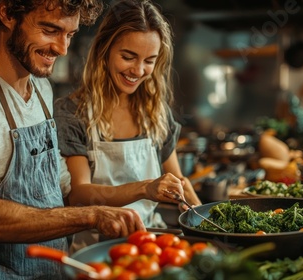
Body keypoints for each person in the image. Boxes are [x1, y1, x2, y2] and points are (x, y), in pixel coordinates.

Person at [0, 0, 152, 278]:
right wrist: (91, 216)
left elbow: (64, 188)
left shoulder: (40, 87)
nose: (62, 49)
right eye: (50, 30)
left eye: (70, 35)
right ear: (7, 13)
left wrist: (140, 191)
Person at [54, 0, 202, 252]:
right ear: (105, 49)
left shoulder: (155, 111)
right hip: (95, 249)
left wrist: (205, 220)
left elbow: (177, 180)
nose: (138, 70)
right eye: (128, 56)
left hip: (151, 241)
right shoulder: (73, 112)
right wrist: (145, 188)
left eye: (149, 60)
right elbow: (78, 193)